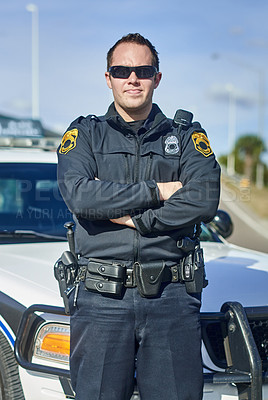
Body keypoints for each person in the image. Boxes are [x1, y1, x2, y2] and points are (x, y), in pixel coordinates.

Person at [57, 33, 221, 400]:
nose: (133, 78)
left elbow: (204, 199)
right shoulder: (84, 135)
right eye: (122, 70)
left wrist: (138, 220)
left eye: (143, 70)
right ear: (108, 78)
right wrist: (157, 191)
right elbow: (81, 195)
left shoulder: (186, 136)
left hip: (172, 299)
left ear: (157, 78)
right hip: (101, 301)